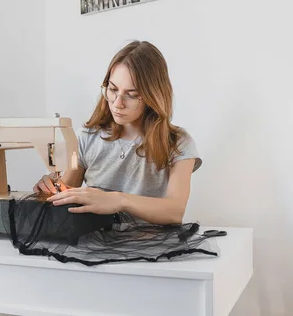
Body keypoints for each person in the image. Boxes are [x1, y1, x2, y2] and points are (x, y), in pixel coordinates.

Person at [34, 41, 202, 225]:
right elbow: (66, 193)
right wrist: (49, 189)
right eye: (113, 89)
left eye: (131, 94)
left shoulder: (178, 143)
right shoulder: (88, 137)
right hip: (96, 242)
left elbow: (174, 212)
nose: (117, 103)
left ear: (154, 96)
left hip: (149, 244)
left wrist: (119, 200)